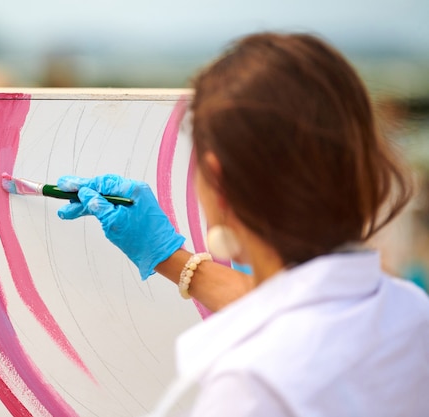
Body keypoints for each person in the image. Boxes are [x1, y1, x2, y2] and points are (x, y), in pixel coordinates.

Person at [56, 32, 429, 416]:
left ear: (220, 181)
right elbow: (299, 314)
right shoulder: (413, 312)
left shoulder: (251, 386)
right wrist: (170, 256)